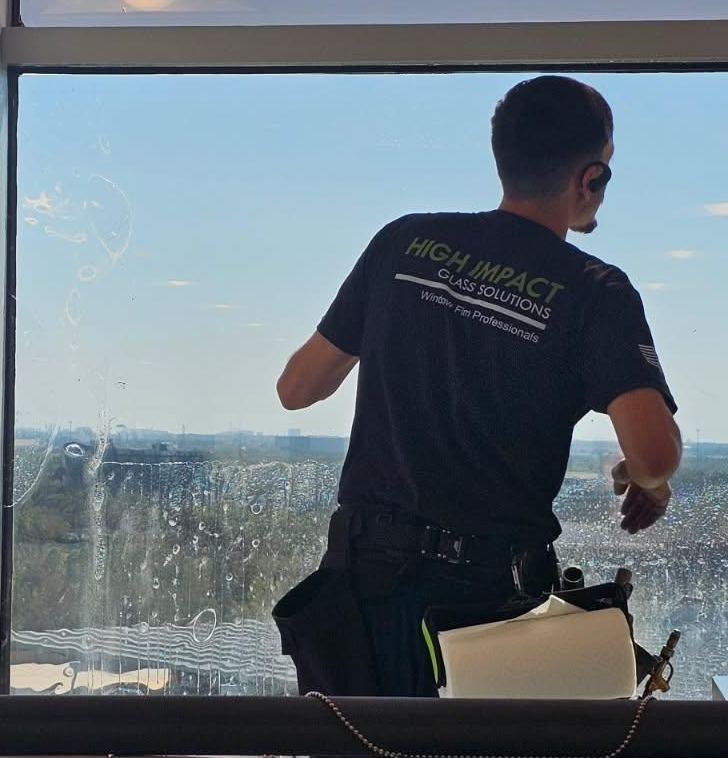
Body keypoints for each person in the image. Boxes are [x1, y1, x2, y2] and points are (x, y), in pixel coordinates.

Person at [275, 74, 681, 698]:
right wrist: (640, 477)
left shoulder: (404, 240)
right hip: (484, 610)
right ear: (590, 179)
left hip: (364, 588)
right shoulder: (594, 290)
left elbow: (298, 388)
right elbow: (655, 455)